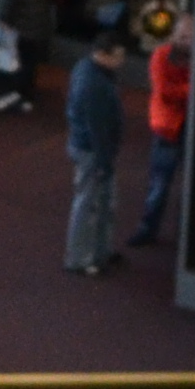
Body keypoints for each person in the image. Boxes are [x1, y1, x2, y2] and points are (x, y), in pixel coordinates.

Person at [64, 30, 130, 275]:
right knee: (89, 205)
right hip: (92, 152)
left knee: (103, 202)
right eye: (117, 56)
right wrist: (105, 161)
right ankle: (79, 259)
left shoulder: (87, 69)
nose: (121, 61)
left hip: (92, 150)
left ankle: (100, 251)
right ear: (102, 54)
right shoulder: (94, 84)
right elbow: (98, 128)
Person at [129, 11, 192, 253]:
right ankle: (148, 229)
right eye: (183, 36)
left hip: (187, 127)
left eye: (190, 37)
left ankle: (185, 236)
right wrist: (191, 88)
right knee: (159, 185)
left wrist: (184, 89)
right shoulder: (161, 56)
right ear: (173, 34)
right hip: (168, 129)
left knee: (189, 185)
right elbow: (165, 90)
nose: (187, 41)